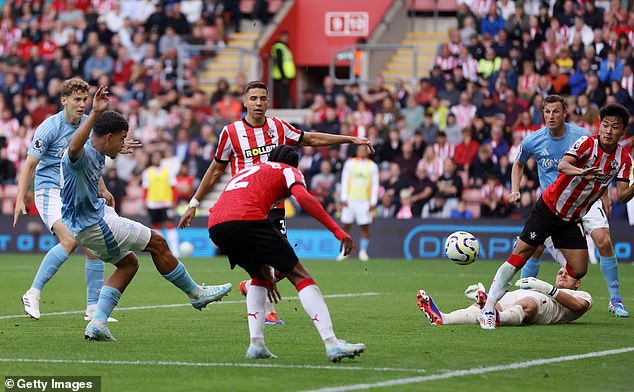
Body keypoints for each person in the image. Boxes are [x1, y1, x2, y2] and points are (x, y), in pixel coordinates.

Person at [178, 80, 373, 325]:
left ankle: (251, 287)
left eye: (262, 98)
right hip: (245, 208)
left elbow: (309, 139)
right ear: (244, 102)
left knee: (281, 266)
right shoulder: (231, 132)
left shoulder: (278, 127)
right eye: (253, 99)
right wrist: (194, 202)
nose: (258, 103)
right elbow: (216, 169)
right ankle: (267, 313)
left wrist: (350, 139)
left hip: (274, 206)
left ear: (268, 101)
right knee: (267, 263)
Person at [61, 86, 231, 341]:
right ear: (108, 137)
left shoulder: (97, 152)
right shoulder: (81, 152)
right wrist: (96, 112)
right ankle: (196, 294)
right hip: (97, 224)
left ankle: (97, 322)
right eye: (120, 138)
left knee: (128, 263)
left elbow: (91, 162)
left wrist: (103, 188)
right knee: (159, 243)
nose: (123, 144)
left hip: (85, 225)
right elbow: (75, 149)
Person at [479, 103, 634, 329]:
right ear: (600, 126)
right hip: (549, 208)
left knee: (579, 269)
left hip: (571, 218)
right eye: (606, 125)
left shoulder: (623, 158)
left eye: (615, 127)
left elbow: (622, 195)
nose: (609, 131)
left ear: (623, 132)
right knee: (520, 254)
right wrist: (583, 173)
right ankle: (489, 308)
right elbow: (563, 165)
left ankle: (548, 283)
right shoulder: (586, 143)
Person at [208, 145, 365, 361]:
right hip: (246, 218)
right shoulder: (287, 170)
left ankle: (257, 345)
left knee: (260, 276)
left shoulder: (249, 169)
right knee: (300, 275)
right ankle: (332, 343)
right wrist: (338, 231)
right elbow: (304, 198)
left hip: (216, 224)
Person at [14, 78, 138, 321]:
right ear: (64, 101)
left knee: (91, 243)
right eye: (77, 100)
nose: (82, 104)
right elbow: (30, 164)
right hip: (48, 190)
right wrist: (20, 198)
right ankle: (33, 292)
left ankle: (92, 307)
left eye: (85, 99)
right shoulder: (49, 127)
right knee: (70, 239)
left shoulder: (88, 128)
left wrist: (102, 188)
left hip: (72, 191)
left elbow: (91, 159)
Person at [417, 269, 592, 327]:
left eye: (567, 274)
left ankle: (496, 317)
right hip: (517, 295)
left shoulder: (580, 294)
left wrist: (547, 288)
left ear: (578, 283)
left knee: (528, 303)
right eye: (560, 272)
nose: (562, 275)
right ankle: (443, 318)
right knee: (482, 307)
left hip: (543, 305)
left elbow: (579, 306)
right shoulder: (539, 286)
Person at [336, 145, 379, 262]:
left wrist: (373, 201)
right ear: (357, 151)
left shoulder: (373, 166)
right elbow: (345, 180)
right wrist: (343, 197)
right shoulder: (349, 164)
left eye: (364, 150)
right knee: (345, 226)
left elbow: (375, 184)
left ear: (367, 152)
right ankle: (345, 252)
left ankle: (363, 252)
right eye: (360, 149)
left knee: (364, 226)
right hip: (350, 200)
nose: (362, 151)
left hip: (365, 200)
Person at [142, 150, 181, 256]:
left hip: (166, 203)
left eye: (158, 157)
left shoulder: (168, 171)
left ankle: (175, 251)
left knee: (170, 224)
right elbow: (145, 188)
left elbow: (173, 187)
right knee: (156, 226)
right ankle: (160, 250)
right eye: (154, 157)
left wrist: (174, 201)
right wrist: (144, 200)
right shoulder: (147, 172)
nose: (156, 159)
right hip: (152, 204)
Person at [271, 31, 295, 108]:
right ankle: (283, 108)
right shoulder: (279, 47)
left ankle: (284, 107)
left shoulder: (284, 46)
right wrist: (283, 76)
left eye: (287, 36)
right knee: (282, 95)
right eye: (284, 36)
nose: (286, 38)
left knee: (284, 94)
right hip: (281, 75)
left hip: (285, 75)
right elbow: (279, 62)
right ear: (280, 37)